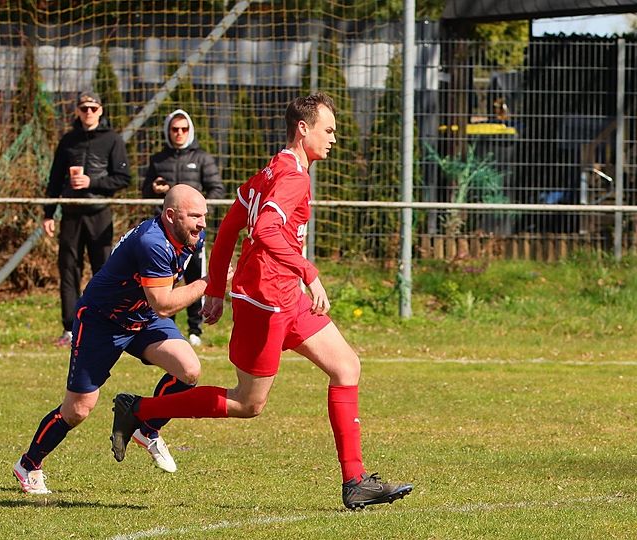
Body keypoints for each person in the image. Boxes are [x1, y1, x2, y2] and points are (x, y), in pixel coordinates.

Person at [109, 93, 413, 510]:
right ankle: (140, 409)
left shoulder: (274, 168)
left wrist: (216, 290)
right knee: (248, 403)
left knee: (346, 366)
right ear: (303, 129)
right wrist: (309, 272)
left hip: (284, 296)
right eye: (328, 130)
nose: (333, 139)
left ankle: (355, 480)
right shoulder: (292, 177)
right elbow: (266, 229)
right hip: (265, 301)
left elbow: (230, 226)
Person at [13, 185, 213, 494]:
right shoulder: (152, 242)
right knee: (78, 410)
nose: (202, 223)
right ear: (171, 215)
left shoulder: (189, 234)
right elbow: (164, 304)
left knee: (189, 370)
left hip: (142, 316)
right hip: (102, 321)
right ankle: (28, 464)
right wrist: (208, 284)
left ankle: (147, 428)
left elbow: (174, 290)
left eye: (205, 215)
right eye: (195, 216)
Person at [43, 90, 132, 347]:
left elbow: (123, 178)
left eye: (93, 108)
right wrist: (48, 213)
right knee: (68, 269)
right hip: (71, 212)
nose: (88, 113)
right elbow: (55, 179)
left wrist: (92, 182)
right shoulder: (68, 140)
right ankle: (70, 328)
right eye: (84, 109)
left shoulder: (112, 139)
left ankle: (105, 324)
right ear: (77, 111)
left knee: (104, 270)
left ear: (101, 110)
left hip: (99, 212)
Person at [143, 109, 225, 347]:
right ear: (168, 131)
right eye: (174, 129)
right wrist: (155, 189)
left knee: (194, 278)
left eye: (184, 129)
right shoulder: (158, 159)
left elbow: (217, 189)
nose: (179, 133)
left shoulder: (202, 158)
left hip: (192, 234)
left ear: (190, 131)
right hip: (164, 234)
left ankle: (195, 329)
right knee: (166, 280)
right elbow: (144, 190)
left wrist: (196, 212)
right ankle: (166, 326)